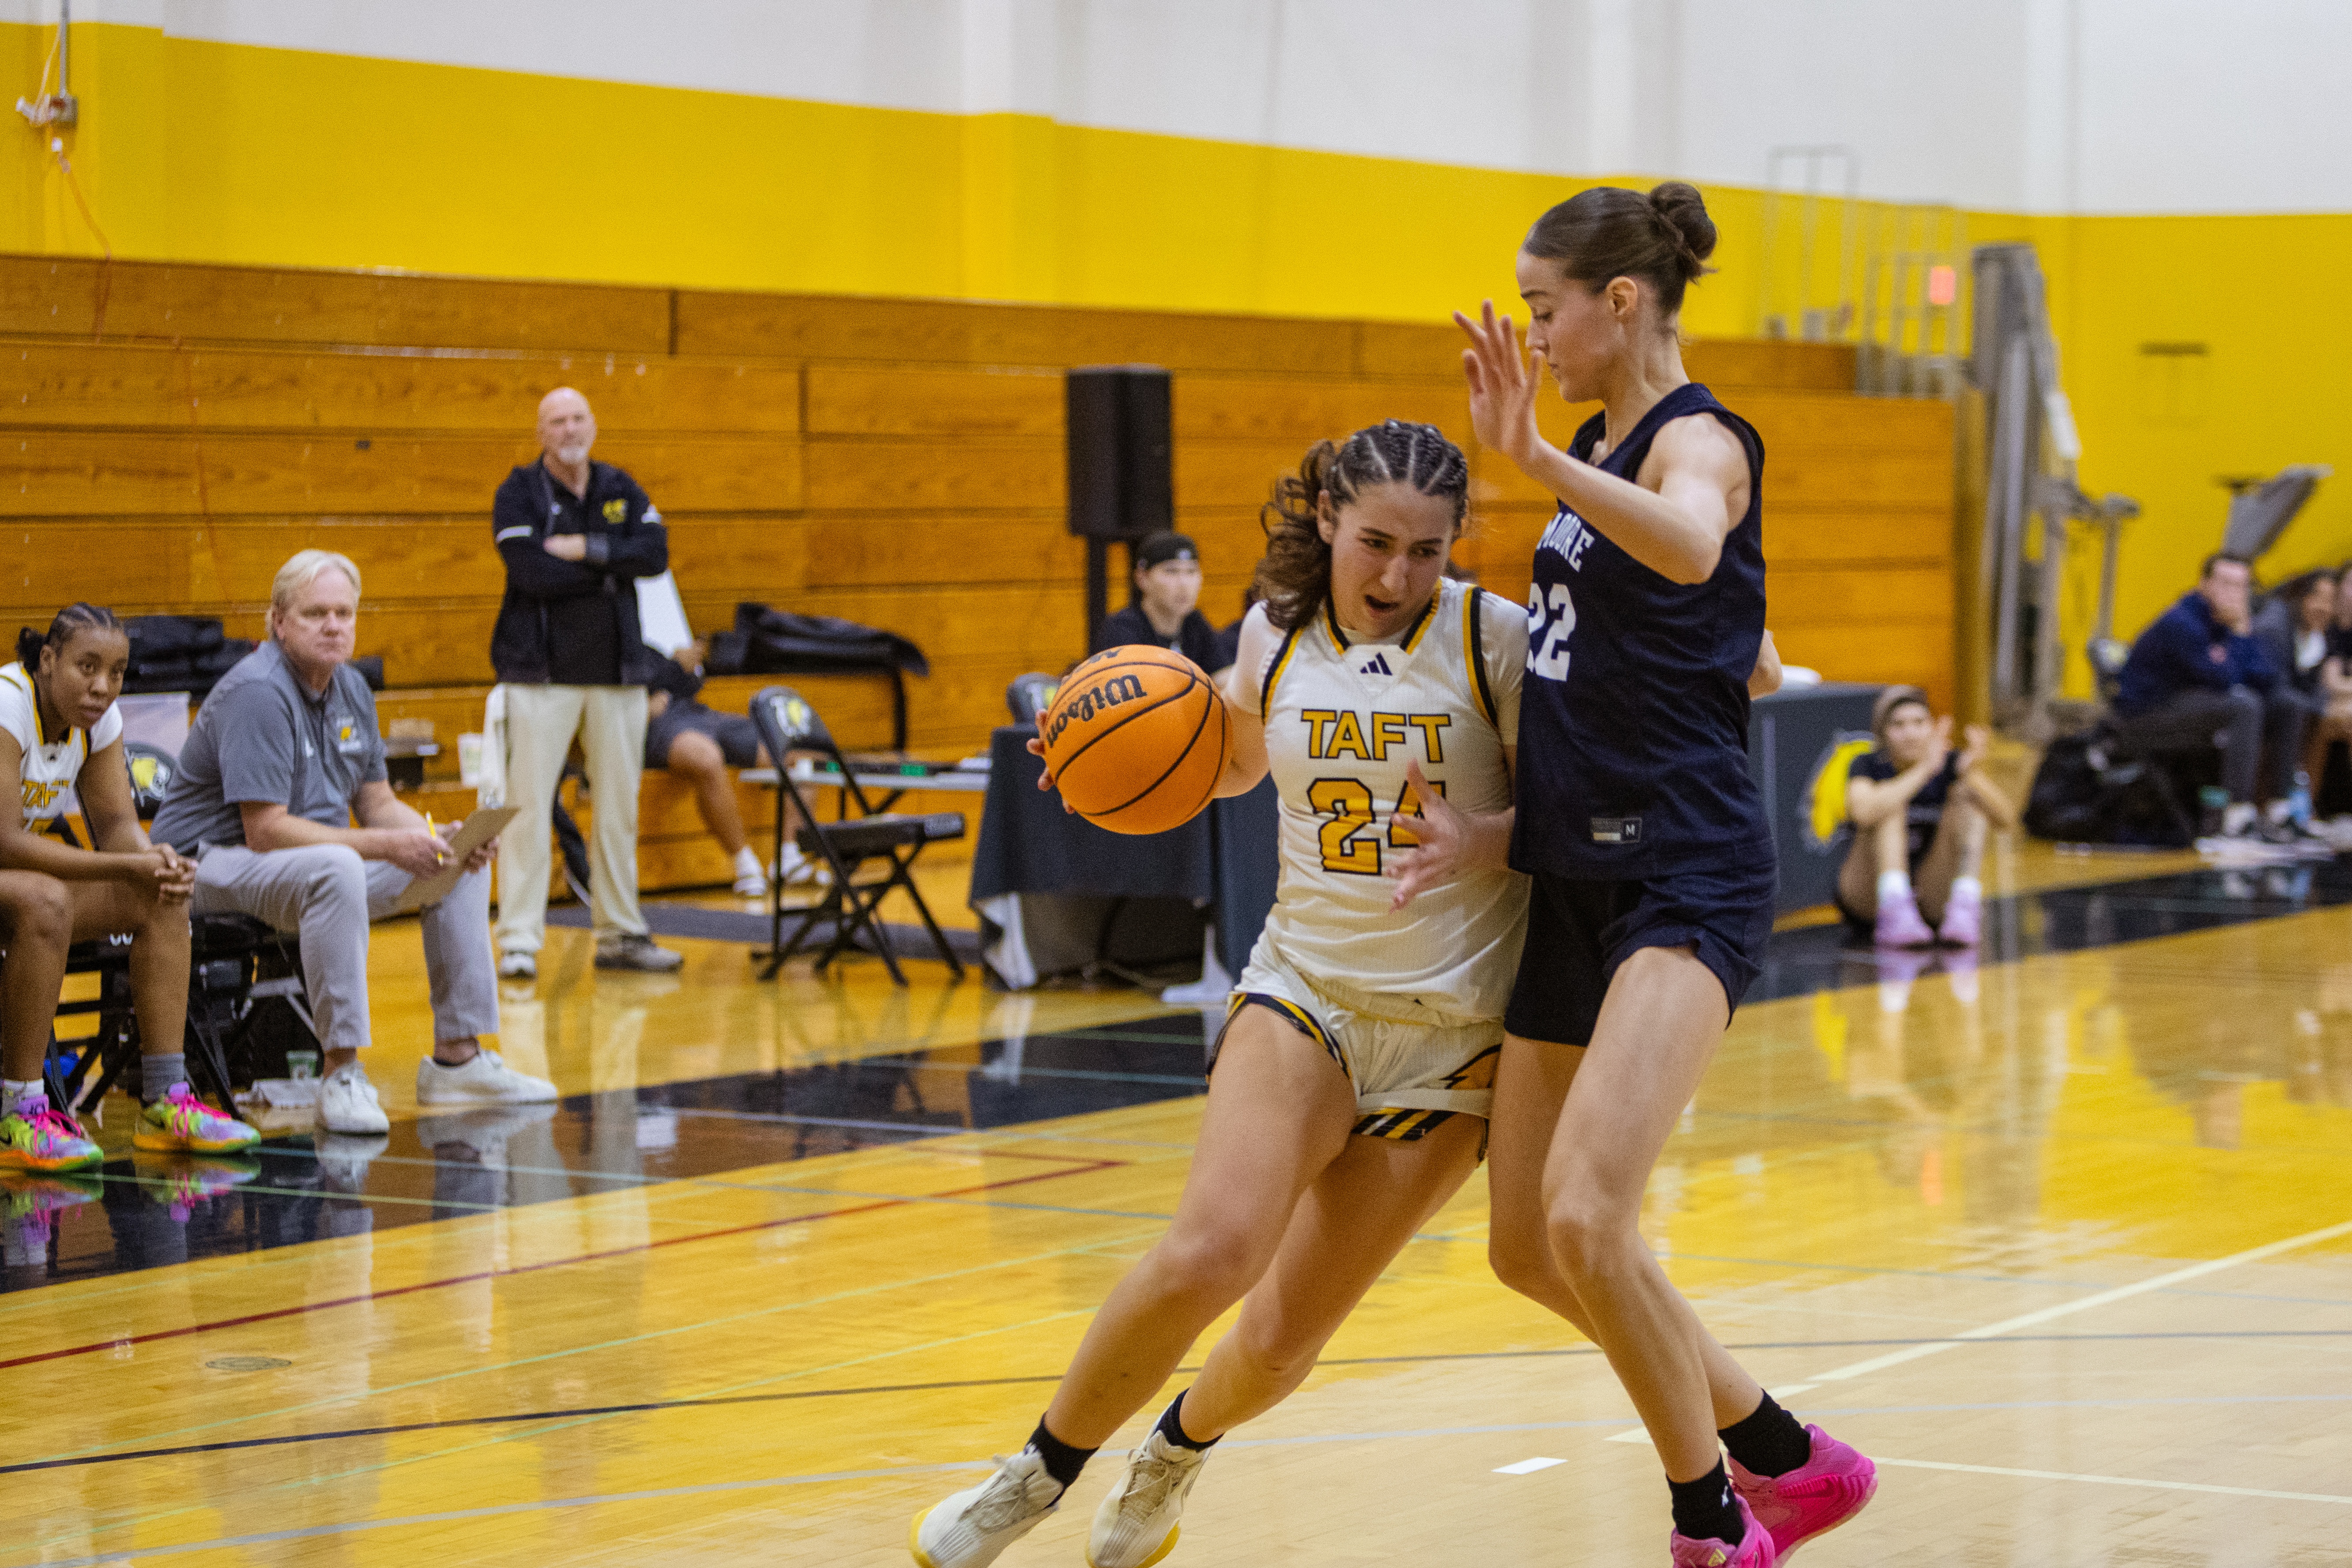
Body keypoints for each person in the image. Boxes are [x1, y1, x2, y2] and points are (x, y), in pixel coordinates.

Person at [907, 421, 1531, 1568]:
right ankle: (1032, 1478)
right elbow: (1233, 759)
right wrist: (1100, 760)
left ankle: (1176, 1449)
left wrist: (1483, 838)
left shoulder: (1496, 639)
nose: (1397, 575)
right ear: (1327, 520)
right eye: (1375, 542)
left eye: (1427, 551)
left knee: (1284, 1338)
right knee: (1211, 1252)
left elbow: (1578, 810)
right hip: (1306, 993)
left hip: (1453, 1040)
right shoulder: (1271, 632)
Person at [1457, 182, 1876, 1565]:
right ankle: (1787, 1458)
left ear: (1621, 300)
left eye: (1545, 310)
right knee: (1530, 1244)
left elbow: (1694, 541)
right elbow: (1721, 633)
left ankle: (1713, 1520)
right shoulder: (1599, 445)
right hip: (1572, 868)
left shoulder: (1695, 438)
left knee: (1591, 1214)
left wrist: (1532, 457)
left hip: (1682, 866)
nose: (1535, 339)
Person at [152, 551, 558, 1138]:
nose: (333, 625)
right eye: (315, 613)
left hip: (306, 863)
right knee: (339, 866)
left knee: (458, 864)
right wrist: (389, 846)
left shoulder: (351, 688)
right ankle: (340, 1074)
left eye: (344, 613)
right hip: (201, 865)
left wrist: (432, 838)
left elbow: (377, 802)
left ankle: (459, 1060)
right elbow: (266, 830)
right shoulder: (258, 692)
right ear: (279, 622)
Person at [0, 604, 260, 1173]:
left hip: (17, 887)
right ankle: (17, 1112)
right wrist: (120, 867)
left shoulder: (98, 720)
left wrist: (153, 860)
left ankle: (166, 1101)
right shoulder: (8, 704)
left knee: (161, 893)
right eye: (87, 667)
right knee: (47, 899)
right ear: (49, 660)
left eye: (116, 673)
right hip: (12, 872)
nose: (102, 686)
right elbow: (6, 843)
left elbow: (117, 825)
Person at [489, 387, 681, 978]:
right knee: (525, 809)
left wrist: (585, 548)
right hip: (540, 677)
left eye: (577, 418)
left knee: (619, 811)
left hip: (618, 677)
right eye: (557, 421)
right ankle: (519, 941)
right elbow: (530, 571)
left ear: (593, 425)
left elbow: (654, 555)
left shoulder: (619, 486)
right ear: (541, 433)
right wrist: (609, 569)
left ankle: (621, 934)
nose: (569, 429)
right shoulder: (519, 492)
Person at [2113, 554, 2310, 847]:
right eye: (2225, 583)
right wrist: (2240, 635)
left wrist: (2241, 633)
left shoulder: (2227, 625)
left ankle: (2281, 810)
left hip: (2192, 705)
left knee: (2288, 704)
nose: (2233, 593)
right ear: (2204, 585)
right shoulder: (2182, 622)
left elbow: (2264, 677)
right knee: (2244, 706)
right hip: (2145, 714)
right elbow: (2222, 680)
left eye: (2240, 586)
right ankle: (2236, 817)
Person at [1833, 686, 2017, 948]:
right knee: (1889, 800)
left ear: (1932, 727)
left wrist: (1972, 776)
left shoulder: (1951, 764)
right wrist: (1923, 771)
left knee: (1969, 798)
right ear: (1883, 733)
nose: (1910, 734)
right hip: (1867, 894)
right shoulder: (1868, 764)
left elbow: (2008, 821)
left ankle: (1965, 902)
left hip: (1929, 893)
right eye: (1898, 725)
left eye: (1919, 723)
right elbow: (1863, 812)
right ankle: (1895, 904)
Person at [644, 642, 817, 896]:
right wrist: (674, 669)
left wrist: (688, 668)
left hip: (695, 712)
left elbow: (686, 685)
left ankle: (789, 858)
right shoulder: (614, 637)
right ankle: (745, 865)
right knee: (707, 758)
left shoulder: (656, 637)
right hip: (655, 723)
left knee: (797, 749)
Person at [2252, 568, 2349, 790]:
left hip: (2289, 706)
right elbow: (2275, 686)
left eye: (2330, 601)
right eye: (2317, 597)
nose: (2323, 608)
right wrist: (2324, 708)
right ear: (2300, 596)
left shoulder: (2317, 635)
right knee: (2303, 710)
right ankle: (2283, 796)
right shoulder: (2274, 624)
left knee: (2334, 719)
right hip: (2261, 702)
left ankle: (2303, 798)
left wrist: (2330, 708)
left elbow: (2316, 688)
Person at [1090, 531, 1223, 672]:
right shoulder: (1122, 630)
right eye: (1171, 571)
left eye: (1191, 571)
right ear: (1142, 578)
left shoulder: (1195, 625)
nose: (1184, 583)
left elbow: (1223, 676)